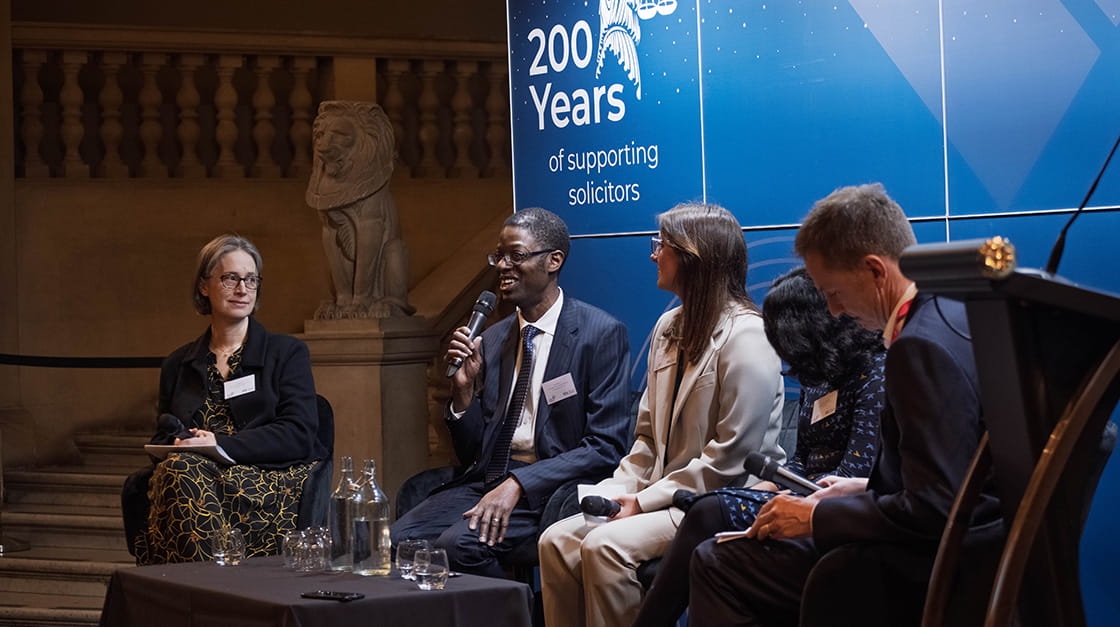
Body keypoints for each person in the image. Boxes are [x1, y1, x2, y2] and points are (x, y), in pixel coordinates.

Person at [688, 184, 1003, 627]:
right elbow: (951, 476)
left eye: (833, 292)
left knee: (717, 562)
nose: (833, 311)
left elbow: (935, 509)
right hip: (979, 546)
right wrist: (859, 490)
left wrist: (819, 514)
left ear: (875, 271)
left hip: (934, 568)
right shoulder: (954, 313)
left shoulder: (918, 349)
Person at [538, 202, 786, 627]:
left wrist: (642, 501)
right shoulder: (668, 326)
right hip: (662, 495)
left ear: (694, 259)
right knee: (555, 541)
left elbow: (728, 460)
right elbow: (647, 438)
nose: (654, 254)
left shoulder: (748, 335)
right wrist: (618, 490)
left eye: (663, 245)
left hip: (720, 498)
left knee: (604, 547)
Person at [631, 267, 886, 627]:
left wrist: (786, 495)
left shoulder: (874, 373)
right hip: (802, 493)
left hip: (828, 506)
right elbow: (801, 459)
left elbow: (855, 472)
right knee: (707, 508)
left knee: (708, 512)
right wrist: (772, 485)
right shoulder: (820, 376)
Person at [390, 207, 632, 578]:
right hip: (489, 479)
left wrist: (520, 483)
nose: (503, 265)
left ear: (554, 261)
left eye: (516, 256)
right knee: (400, 541)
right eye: (498, 256)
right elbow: (473, 452)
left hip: (550, 487)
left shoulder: (599, 334)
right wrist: (463, 395)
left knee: (459, 546)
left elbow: (605, 445)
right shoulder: (493, 338)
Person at [124, 234, 326, 564]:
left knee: (176, 478)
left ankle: (193, 595)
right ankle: (217, 592)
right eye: (230, 278)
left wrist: (219, 443)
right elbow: (163, 432)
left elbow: (299, 434)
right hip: (191, 480)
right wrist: (181, 441)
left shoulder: (286, 353)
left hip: (264, 484)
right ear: (204, 286)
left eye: (251, 279)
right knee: (178, 473)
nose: (242, 289)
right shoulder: (179, 363)